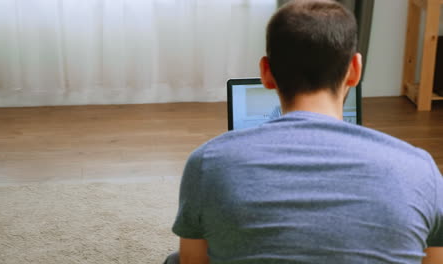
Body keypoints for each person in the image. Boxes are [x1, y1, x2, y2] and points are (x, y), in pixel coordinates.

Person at [166, 0, 443, 263]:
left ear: (266, 72)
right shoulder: (420, 169)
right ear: (355, 71)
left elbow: (193, 262)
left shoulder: (207, 164)